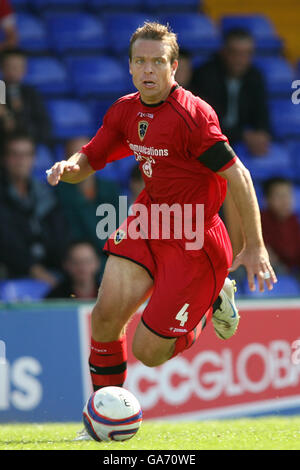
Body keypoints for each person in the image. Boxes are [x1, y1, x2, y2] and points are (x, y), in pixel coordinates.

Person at [46, 22, 276, 438]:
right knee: (104, 318)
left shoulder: (193, 116)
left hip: (194, 237)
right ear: (131, 67)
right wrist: (69, 168)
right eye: (140, 61)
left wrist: (255, 246)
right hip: (149, 220)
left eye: (157, 61)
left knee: (148, 353)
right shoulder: (124, 110)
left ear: (174, 68)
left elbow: (239, 175)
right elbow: (91, 158)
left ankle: (211, 302)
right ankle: (104, 417)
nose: (148, 69)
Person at [0, 132, 70, 285]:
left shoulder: (44, 193)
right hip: (12, 272)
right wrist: (34, 269)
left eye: (26, 155)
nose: (21, 161)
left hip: (52, 268)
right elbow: (6, 241)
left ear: (33, 158)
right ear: (4, 159)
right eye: (15, 155)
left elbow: (60, 233)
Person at [190, 28, 271, 156]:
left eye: (246, 54)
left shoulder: (255, 76)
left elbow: (262, 112)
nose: (240, 59)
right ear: (224, 52)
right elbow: (208, 120)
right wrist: (244, 136)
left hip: (241, 142)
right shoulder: (205, 75)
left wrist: (262, 133)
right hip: (209, 141)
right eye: (235, 53)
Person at [57, 137, 121, 256]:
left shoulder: (110, 189)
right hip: (81, 261)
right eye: (75, 157)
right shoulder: (59, 194)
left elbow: (123, 227)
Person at [0, 48, 52, 151]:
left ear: (25, 69)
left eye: (19, 67)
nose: (14, 70)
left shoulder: (31, 93)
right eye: (11, 66)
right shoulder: (0, 89)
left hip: (28, 146)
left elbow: (44, 127)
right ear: (2, 67)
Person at [261, 177, 300, 276]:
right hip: (272, 270)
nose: (285, 201)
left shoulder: (294, 220)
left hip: (293, 270)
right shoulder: (261, 219)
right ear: (267, 199)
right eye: (279, 196)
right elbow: (265, 252)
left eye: (288, 195)